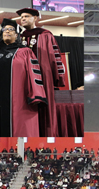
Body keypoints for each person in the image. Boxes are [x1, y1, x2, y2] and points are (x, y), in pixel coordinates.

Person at [0, 19, 46, 137]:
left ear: (17, 34)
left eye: (11, 29)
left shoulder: (25, 52)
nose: (7, 32)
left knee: (19, 129)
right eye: (4, 29)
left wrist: (35, 95)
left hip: (19, 100)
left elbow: (34, 75)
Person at [15, 8, 67, 137]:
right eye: (22, 17)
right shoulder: (18, 38)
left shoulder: (45, 35)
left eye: (26, 16)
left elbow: (55, 57)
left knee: (44, 108)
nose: (23, 19)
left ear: (35, 18)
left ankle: (45, 133)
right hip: (23, 79)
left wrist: (58, 78)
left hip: (42, 77)